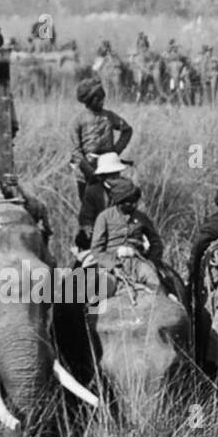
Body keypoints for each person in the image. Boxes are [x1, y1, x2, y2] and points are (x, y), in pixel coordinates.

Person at [88, 178, 164, 294]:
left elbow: (156, 242)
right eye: (129, 202)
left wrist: (152, 260)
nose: (134, 205)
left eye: (135, 202)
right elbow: (96, 249)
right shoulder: (104, 217)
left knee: (155, 284)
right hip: (111, 263)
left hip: (137, 263)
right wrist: (112, 266)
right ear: (120, 202)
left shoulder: (141, 217)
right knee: (101, 293)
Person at [70, 77, 133, 206]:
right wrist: (88, 170)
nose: (101, 101)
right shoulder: (78, 121)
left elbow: (127, 130)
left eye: (102, 98)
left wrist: (115, 152)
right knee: (88, 205)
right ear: (88, 101)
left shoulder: (109, 116)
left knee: (113, 203)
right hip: (86, 171)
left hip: (110, 168)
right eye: (97, 99)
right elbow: (75, 151)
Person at [76, 151, 133, 249]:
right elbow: (86, 217)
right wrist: (89, 230)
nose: (114, 176)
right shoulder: (93, 191)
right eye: (111, 174)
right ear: (103, 175)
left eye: (116, 173)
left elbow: (136, 213)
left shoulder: (129, 188)